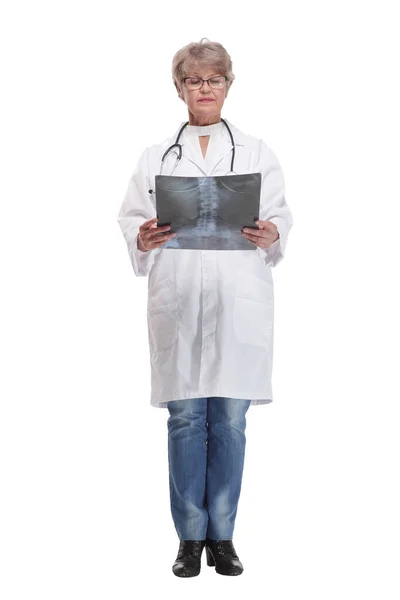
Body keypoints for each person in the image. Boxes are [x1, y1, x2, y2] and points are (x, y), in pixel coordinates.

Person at [117, 38, 293, 577]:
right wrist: (142, 239)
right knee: (187, 421)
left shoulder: (258, 151)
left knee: (232, 422)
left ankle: (224, 536)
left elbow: (281, 218)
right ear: (179, 89)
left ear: (228, 85)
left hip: (237, 303)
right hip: (181, 300)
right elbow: (131, 219)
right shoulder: (155, 157)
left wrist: (270, 233)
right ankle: (190, 539)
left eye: (214, 79)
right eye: (194, 80)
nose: (205, 88)